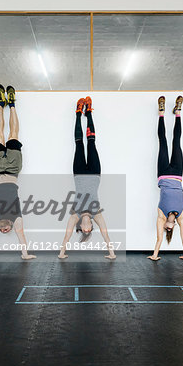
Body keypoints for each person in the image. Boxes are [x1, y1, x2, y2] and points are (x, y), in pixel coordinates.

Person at [0, 85, 36, 260]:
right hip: (11, 169)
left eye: (2, 230)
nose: (4, 231)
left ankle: (2, 103)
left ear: (0, 228)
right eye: (5, 230)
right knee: (12, 134)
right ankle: (10, 104)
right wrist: (25, 255)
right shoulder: (13, 217)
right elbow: (21, 235)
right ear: (9, 228)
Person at [58, 97, 116, 260]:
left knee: (79, 144)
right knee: (91, 143)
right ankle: (89, 112)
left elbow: (66, 236)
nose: (87, 230)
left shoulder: (75, 215)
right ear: (91, 227)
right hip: (95, 172)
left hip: (79, 172)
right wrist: (111, 254)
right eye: (89, 231)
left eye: (84, 232)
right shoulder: (96, 213)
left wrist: (62, 253)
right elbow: (105, 234)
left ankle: (78, 113)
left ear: (81, 228)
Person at [148, 96, 183, 262]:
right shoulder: (181, 216)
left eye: (165, 227)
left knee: (163, 142)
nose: (167, 226)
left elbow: (159, 239)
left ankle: (161, 113)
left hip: (163, 173)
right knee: (177, 142)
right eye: (169, 228)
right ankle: (178, 112)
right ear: (173, 227)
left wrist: (154, 255)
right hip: (178, 174)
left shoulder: (161, 215)